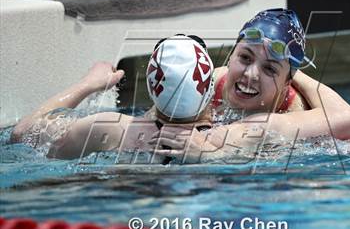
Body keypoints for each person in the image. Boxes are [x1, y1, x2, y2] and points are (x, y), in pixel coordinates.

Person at [145, 9, 350, 162]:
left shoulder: (292, 112)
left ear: (288, 81)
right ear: (231, 55)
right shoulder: (212, 82)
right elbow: (153, 122)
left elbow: (349, 121)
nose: (250, 75)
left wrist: (210, 153)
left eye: (269, 69)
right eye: (245, 58)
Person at [11, 34, 216, 161]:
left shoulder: (112, 128)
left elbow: (22, 133)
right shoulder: (230, 136)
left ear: (152, 86)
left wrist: (89, 84)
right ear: (209, 85)